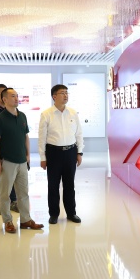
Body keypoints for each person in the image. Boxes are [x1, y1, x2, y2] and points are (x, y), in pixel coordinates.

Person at [0, 88, 44, 233]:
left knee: (23, 193)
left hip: (22, 161)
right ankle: (8, 221)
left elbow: (26, 137)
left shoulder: (22, 116)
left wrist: (28, 155)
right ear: (4, 99)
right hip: (7, 161)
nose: (16, 98)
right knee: (5, 194)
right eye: (12, 96)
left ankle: (26, 219)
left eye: (17, 96)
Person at [38, 84, 83, 224]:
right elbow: (42, 138)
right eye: (62, 93)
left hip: (70, 152)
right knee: (53, 185)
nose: (65, 95)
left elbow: (79, 134)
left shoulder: (73, 113)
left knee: (69, 185)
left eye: (67, 93)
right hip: (53, 153)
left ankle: (71, 213)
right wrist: (43, 157)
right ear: (54, 96)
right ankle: (53, 214)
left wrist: (79, 152)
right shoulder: (46, 114)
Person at [0, 84, 18, 215]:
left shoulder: (15, 111)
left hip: (13, 148)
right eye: (1, 93)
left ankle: (13, 201)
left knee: (13, 175)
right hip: (0, 147)